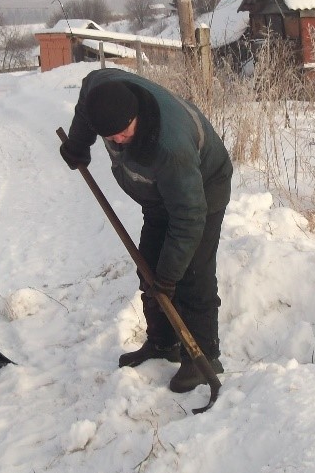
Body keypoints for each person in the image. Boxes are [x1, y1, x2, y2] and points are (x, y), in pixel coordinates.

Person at [60, 66, 233, 394]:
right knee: (149, 266)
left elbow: (189, 217)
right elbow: (86, 105)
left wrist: (170, 276)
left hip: (202, 190)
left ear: (135, 113)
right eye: (109, 137)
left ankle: (204, 358)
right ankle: (163, 343)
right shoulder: (101, 91)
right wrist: (78, 144)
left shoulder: (169, 146)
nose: (118, 140)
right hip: (157, 193)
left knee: (190, 274)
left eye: (123, 132)